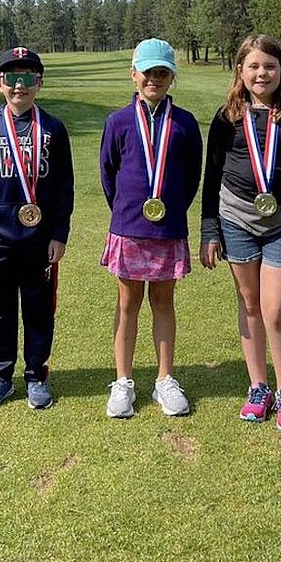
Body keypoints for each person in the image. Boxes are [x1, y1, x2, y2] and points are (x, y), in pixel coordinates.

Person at [200, 34, 281, 431]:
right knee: (250, 304)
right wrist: (209, 229)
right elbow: (212, 174)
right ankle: (259, 386)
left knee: (275, 310)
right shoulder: (227, 117)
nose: (262, 73)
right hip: (236, 219)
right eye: (254, 66)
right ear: (240, 70)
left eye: (270, 66)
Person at [0, 47, 74, 411]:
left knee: (40, 309)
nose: (19, 85)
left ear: (39, 83)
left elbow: (63, 186)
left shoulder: (54, 129)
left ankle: (36, 376)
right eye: (12, 77)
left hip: (40, 241)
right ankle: (0, 377)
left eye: (27, 77)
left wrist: (59, 233)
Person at [100, 39, 203, 418]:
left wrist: (169, 210)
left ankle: (164, 379)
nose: (154, 79)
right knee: (128, 304)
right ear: (134, 74)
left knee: (163, 302)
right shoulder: (118, 121)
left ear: (171, 77)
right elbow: (108, 172)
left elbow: (192, 175)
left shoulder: (186, 123)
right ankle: (123, 380)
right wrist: (128, 212)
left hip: (168, 228)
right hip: (129, 226)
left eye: (162, 73)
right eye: (148, 72)